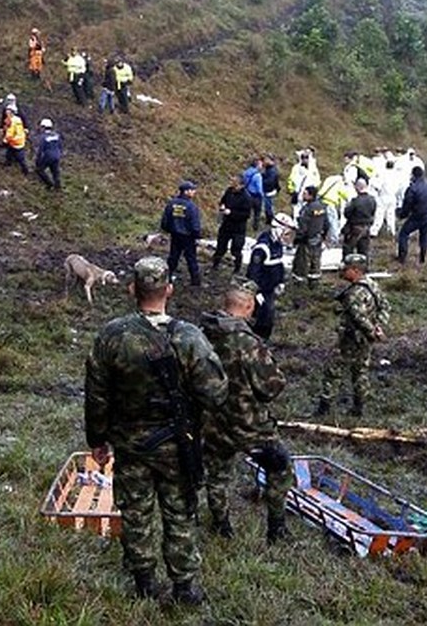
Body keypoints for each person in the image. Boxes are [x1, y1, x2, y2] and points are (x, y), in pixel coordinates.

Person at [85, 256, 227, 604]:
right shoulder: (190, 337)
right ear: (170, 290)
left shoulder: (111, 336)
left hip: (131, 445)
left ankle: (144, 583)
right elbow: (216, 393)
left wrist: (97, 439)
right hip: (179, 445)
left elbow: (96, 394)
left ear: (132, 289)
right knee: (180, 514)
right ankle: (184, 588)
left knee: (135, 512)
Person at [200, 280, 294, 544]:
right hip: (249, 425)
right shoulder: (247, 343)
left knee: (217, 475)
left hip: (212, 422)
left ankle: (221, 525)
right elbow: (271, 387)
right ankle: (277, 529)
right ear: (250, 306)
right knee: (281, 470)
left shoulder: (200, 335)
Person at [314, 253, 388, 417]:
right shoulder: (372, 285)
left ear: (355, 270)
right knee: (360, 371)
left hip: (350, 338)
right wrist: (378, 328)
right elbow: (385, 307)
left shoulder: (354, 293)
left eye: (345, 269)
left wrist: (371, 331)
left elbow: (358, 317)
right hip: (365, 340)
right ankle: (358, 408)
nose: (342, 272)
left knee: (333, 371)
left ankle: (324, 408)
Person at [247, 213, 294, 341]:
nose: (288, 235)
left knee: (268, 316)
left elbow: (279, 265)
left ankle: (263, 341)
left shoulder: (277, 244)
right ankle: (257, 341)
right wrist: (256, 292)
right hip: (261, 290)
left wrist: (281, 281)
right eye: (286, 231)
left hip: (270, 289)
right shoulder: (263, 248)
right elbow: (253, 272)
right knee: (262, 317)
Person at [161, 180, 203, 286]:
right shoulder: (191, 206)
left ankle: (168, 277)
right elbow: (195, 223)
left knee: (173, 257)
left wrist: (169, 230)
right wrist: (197, 235)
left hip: (175, 235)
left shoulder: (171, 203)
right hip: (188, 237)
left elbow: (165, 221)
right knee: (191, 258)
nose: (194, 192)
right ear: (186, 191)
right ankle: (195, 280)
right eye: (192, 190)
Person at [211, 174, 252, 274]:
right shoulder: (229, 191)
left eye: (236, 184)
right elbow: (222, 201)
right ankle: (215, 264)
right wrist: (222, 206)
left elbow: (246, 214)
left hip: (238, 228)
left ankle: (237, 268)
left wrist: (231, 213)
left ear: (242, 185)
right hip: (226, 225)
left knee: (236, 249)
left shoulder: (246, 197)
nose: (234, 185)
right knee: (220, 246)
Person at [396, 166, 427, 265]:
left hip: (416, 216)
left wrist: (402, 215)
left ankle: (402, 258)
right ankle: (422, 257)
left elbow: (407, 204)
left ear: (413, 175)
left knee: (403, 234)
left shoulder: (412, 188)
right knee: (424, 236)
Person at [292, 185, 329, 285]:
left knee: (301, 261)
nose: (303, 195)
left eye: (305, 194)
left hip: (306, 239)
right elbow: (326, 223)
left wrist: (298, 238)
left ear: (310, 196)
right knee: (316, 260)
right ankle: (314, 281)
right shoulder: (322, 207)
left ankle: (299, 282)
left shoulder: (307, 209)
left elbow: (303, 226)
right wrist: (324, 236)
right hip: (318, 238)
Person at [342, 177, 377, 258]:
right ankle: (364, 267)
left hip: (354, 229)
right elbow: (373, 212)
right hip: (366, 228)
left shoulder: (355, 201)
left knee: (348, 249)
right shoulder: (372, 200)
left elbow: (347, 213)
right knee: (364, 251)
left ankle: (348, 267)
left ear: (358, 187)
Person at [286, 148, 320, 216]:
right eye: (303, 157)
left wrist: (312, 193)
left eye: (306, 158)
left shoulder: (313, 169)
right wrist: (292, 191)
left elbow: (317, 182)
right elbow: (290, 180)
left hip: (308, 195)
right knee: (296, 211)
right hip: (297, 194)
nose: (305, 160)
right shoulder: (296, 168)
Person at [33, 118, 64, 190]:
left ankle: (49, 184)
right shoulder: (57, 135)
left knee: (39, 170)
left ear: (43, 127)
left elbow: (40, 150)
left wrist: (38, 161)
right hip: (57, 156)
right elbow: (60, 146)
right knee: (55, 172)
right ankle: (58, 187)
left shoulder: (43, 137)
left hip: (48, 156)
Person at [1, 103, 29, 175]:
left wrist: (5, 140)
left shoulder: (13, 122)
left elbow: (10, 133)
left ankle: (25, 170)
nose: (6, 112)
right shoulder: (16, 119)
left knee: (20, 159)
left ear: (12, 112)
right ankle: (8, 162)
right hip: (16, 141)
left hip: (16, 142)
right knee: (9, 153)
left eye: (8, 111)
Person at [243, 157, 265, 231]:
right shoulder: (258, 175)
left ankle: (244, 224)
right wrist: (262, 195)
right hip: (256, 196)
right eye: (260, 164)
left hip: (247, 194)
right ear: (257, 165)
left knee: (246, 211)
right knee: (257, 213)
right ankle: (255, 227)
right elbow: (259, 189)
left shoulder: (246, 172)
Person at [261, 154, 280, 224]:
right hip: (269, 190)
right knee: (267, 205)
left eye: (266, 159)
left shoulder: (272, 170)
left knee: (269, 206)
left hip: (269, 190)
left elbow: (270, 181)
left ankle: (271, 219)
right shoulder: (269, 169)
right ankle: (269, 219)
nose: (264, 161)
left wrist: (262, 180)